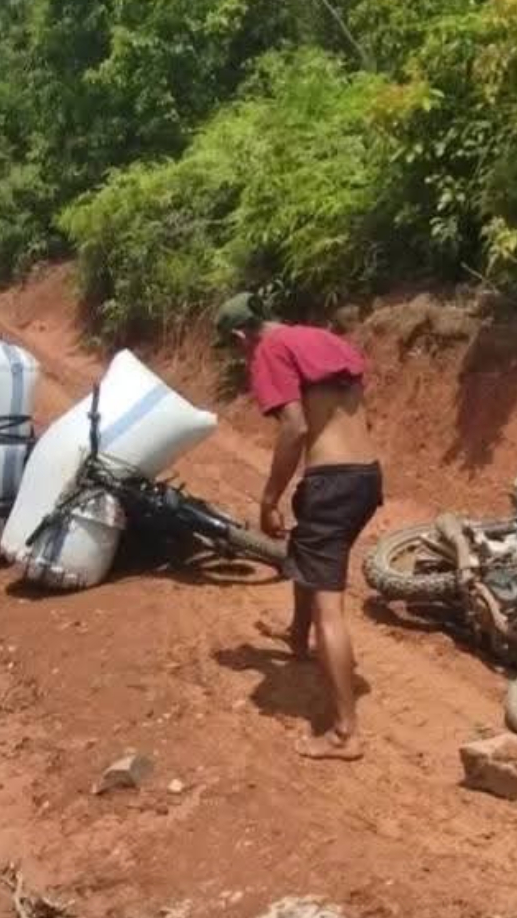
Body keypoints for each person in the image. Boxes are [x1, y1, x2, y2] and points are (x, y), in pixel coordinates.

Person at [215, 292, 382, 761]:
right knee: (309, 556)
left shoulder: (268, 349)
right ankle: (296, 637)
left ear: (239, 336)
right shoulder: (319, 338)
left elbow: (294, 427)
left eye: (236, 349)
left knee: (331, 604)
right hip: (366, 477)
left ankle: (345, 734)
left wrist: (269, 499)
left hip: (332, 481)